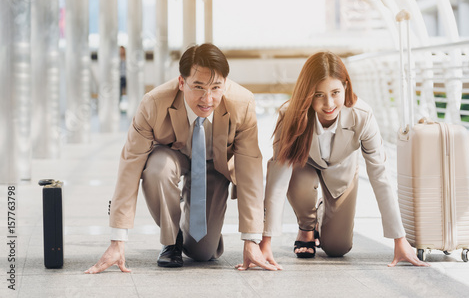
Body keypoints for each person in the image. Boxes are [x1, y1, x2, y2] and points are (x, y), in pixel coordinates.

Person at [85, 43, 280, 273]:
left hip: (214, 166)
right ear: (181, 82)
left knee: (202, 253)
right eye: (198, 87)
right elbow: (130, 166)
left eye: (216, 87)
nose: (207, 99)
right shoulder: (154, 104)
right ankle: (171, 241)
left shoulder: (242, 104)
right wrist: (117, 241)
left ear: (225, 84)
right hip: (172, 156)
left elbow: (251, 171)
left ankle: (197, 232)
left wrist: (251, 241)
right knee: (157, 168)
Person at [259, 51, 428, 267]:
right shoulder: (289, 115)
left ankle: (321, 211)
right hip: (303, 168)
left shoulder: (362, 116)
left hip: (341, 172)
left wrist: (400, 239)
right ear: (307, 93)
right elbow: (278, 179)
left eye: (335, 92)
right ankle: (307, 227)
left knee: (338, 248)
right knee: (300, 181)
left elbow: (380, 176)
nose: (328, 103)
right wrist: (266, 242)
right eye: (318, 95)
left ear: (346, 86)